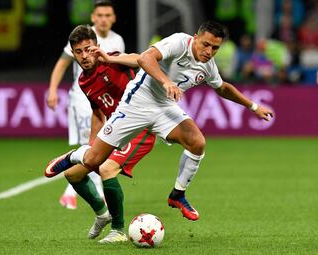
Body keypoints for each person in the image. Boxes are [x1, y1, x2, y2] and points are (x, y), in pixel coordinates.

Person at [46, 20, 274, 232]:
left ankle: (178, 194)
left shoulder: (208, 66)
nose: (209, 51)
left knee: (197, 142)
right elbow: (145, 58)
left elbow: (223, 87)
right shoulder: (179, 42)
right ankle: (74, 156)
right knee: (95, 160)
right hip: (137, 103)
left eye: (215, 48)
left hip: (165, 108)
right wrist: (166, 81)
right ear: (196, 38)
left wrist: (253, 107)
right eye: (206, 44)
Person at [45, 25, 156, 243]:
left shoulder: (113, 60)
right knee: (73, 175)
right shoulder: (83, 81)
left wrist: (112, 59)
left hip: (140, 128)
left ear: (97, 47)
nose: (84, 56)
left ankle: (118, 230)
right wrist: (91, 147)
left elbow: (140, 59)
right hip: (114, 131)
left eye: (88, 49)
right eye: (79, 52)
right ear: (73, 53)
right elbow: (97, 114)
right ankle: (102, 214)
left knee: (107, 169)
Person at [46, 0, 125, 209]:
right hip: (84, 101)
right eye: (100, 15)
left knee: (100, 146)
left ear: (114, 18)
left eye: (108, 15)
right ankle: (78, 192)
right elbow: (62, 63)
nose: (104, 19)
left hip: (107, 102)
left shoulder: (118, 40)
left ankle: (74, 190)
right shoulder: (80, 40)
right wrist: (53, 89)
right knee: (92, 146)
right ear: (93, 17)